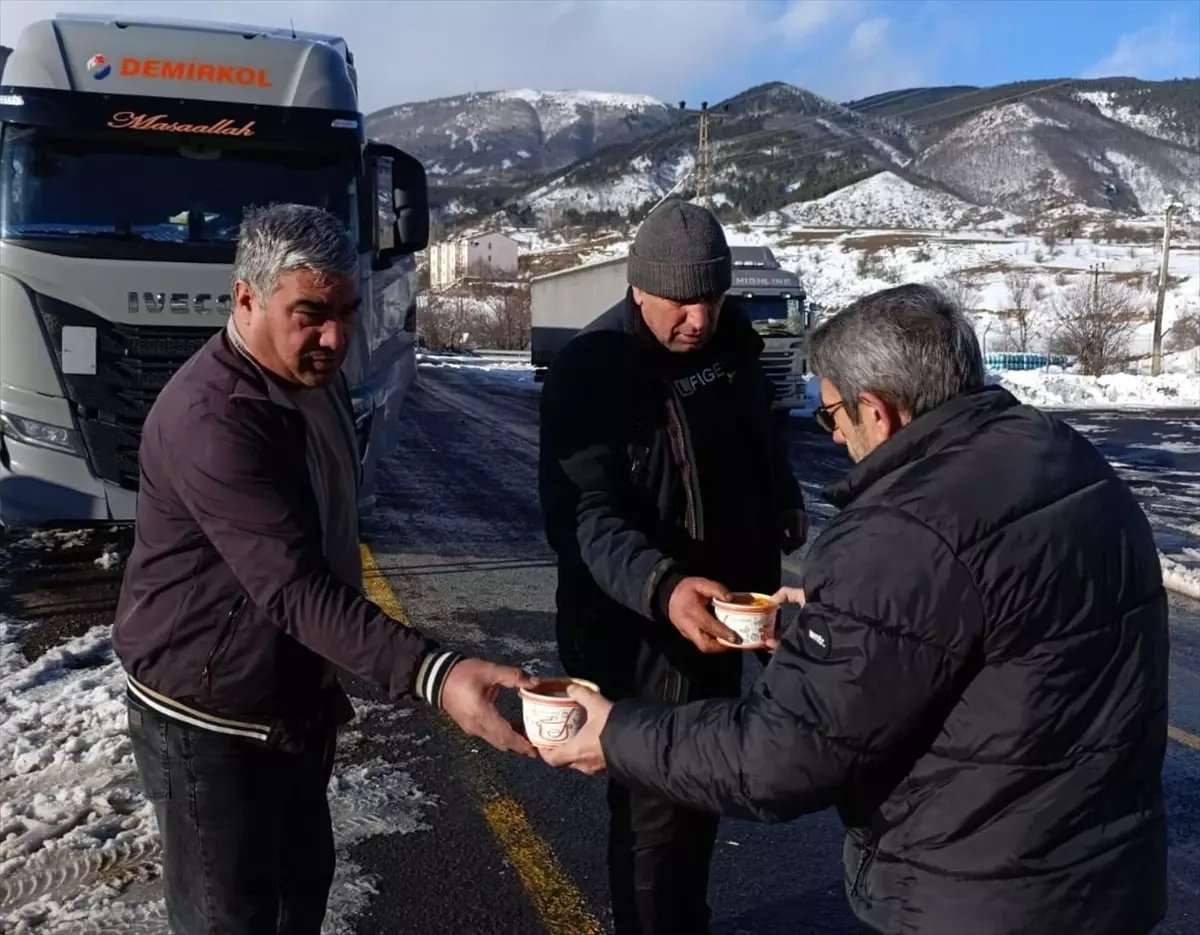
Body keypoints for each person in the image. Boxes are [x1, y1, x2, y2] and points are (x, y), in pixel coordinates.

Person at [542, 283, 1169, 935]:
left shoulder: (901, 530)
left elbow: (779, 756)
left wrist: (613, 733)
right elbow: (990, 627)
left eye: (833, 414)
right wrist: (838, 620)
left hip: (983, 895)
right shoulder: (1064, 456)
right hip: (1111, 875)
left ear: (880, 412)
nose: (835, 435)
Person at [112, 203, 536, 935]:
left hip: (289, 704)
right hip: (209, 718)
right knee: (231, 919)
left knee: (300, 894)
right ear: (245, 297)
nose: (336, 337)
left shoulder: (315, 377)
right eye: (310, 313)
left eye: (347, 311)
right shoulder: (213, 419)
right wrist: (437, 673)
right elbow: (295, 587)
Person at [537, 199, 806, 935]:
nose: (698, 318)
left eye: (711, 299)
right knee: (652, 811)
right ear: (640, 289)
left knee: (706, 780)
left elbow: (761, 430)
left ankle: (687, 919)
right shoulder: (593, 372)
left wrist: (783, 497)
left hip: (723, 620)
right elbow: (584, 518)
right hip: (638, 628)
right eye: (681, 303)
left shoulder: (731, 347)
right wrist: (663, 587)